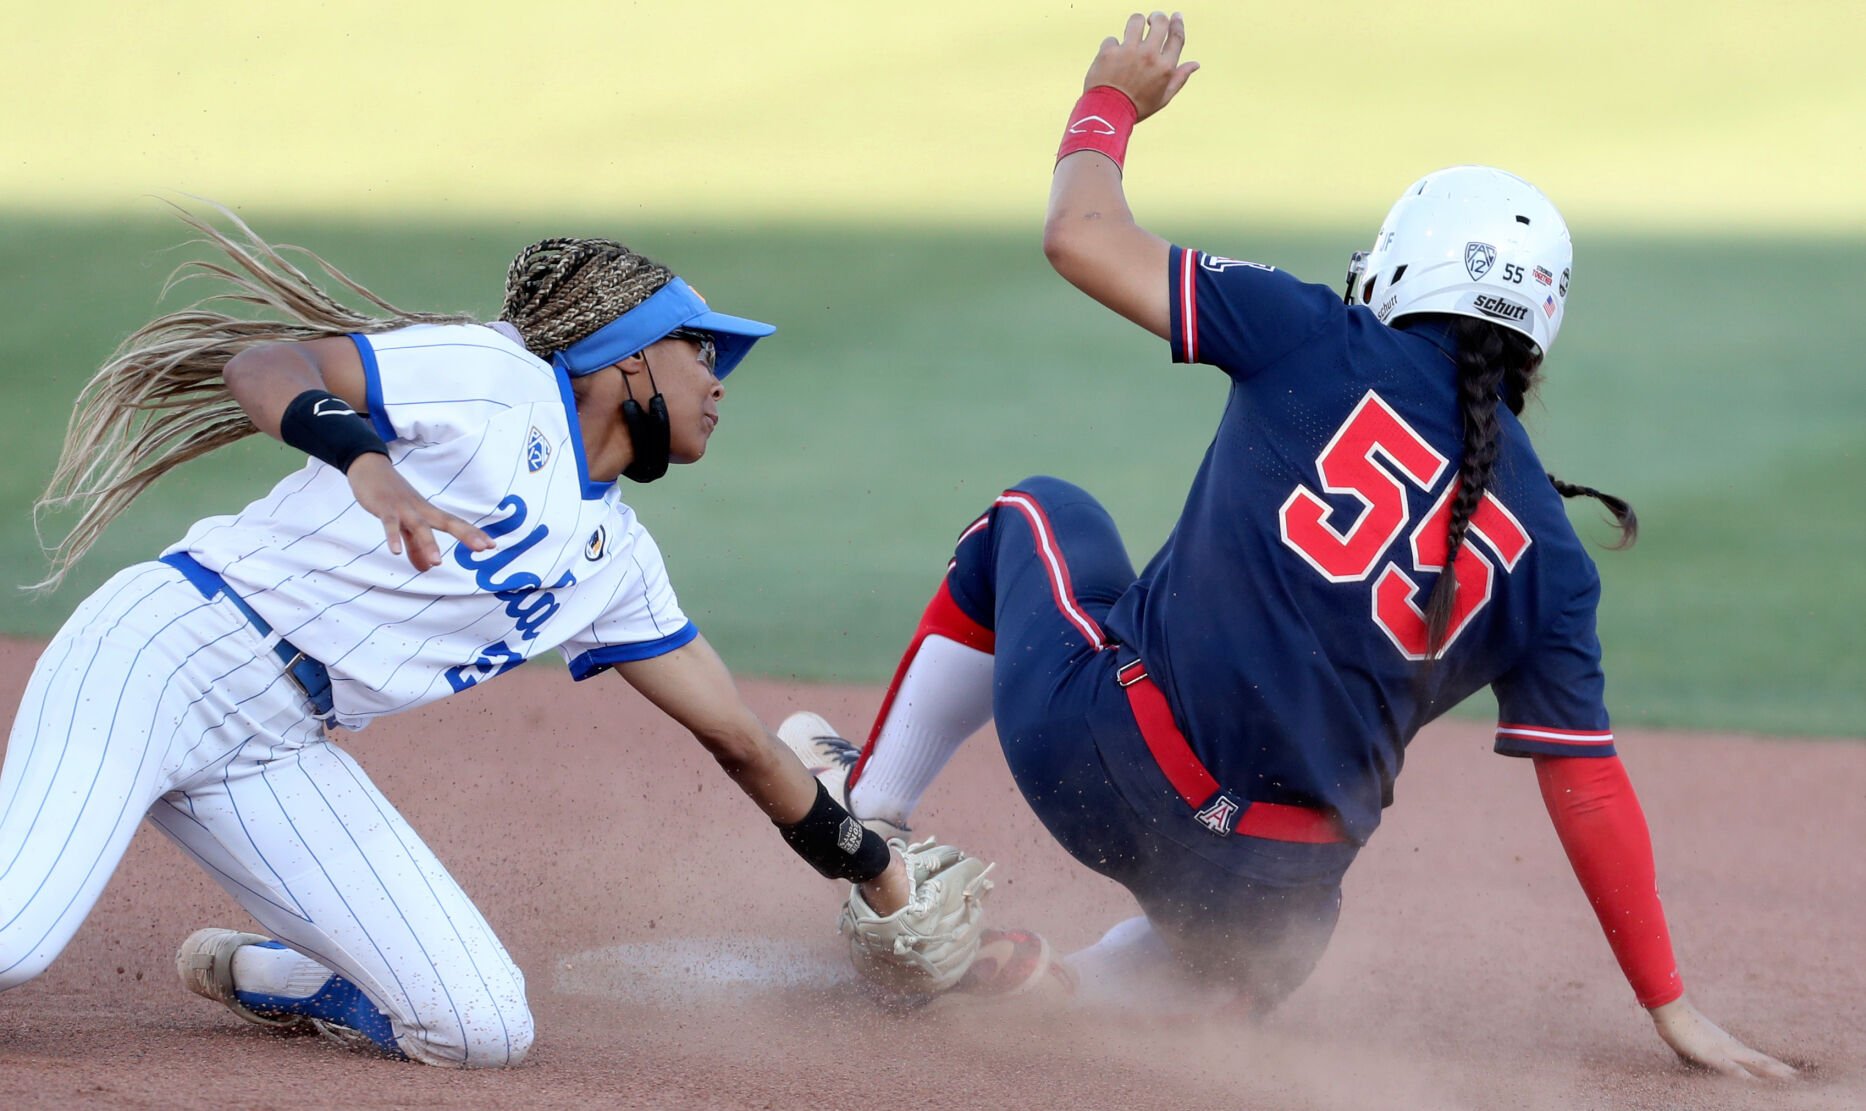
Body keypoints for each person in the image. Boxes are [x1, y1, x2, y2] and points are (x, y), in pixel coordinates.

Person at [781, 13, 1795, 1079]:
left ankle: (872, 826)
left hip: (1107, 770)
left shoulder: (1315, 331)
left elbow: (1078, 235)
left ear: (1401, 271)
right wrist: (1670, 1007)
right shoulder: (1554, 556)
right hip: (1268, 911)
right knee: (1238, 950)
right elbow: (1588, 789)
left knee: (1036, 513)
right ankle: (1069, 990)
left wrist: (1109, 103)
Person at [0, 205, 924, 1066]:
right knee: (11, 944)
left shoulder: (620, 566)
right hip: (167, 653)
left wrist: (882, 878)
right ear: (633, 356)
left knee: (479, 1027)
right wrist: (365, 460)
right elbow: (269, 364)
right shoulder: (494, 380)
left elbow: (742, 742)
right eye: (703, 352)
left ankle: (281, 973)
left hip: (272, 748)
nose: (719, 382)